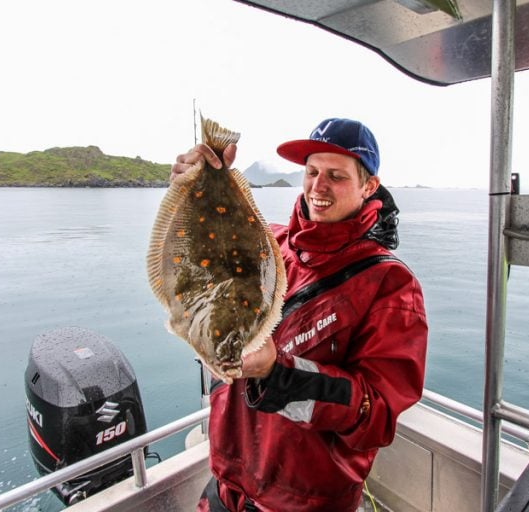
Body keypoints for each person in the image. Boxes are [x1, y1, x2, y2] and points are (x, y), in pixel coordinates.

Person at [172, 118, 428, 512]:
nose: (318, 186)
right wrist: (190, 189)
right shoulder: (267, 243)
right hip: (226, 488)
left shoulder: (390, 284)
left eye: (336, 176)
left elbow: (375, 414)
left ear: (368, 186)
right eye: (311, 172)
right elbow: (199, 270)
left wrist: (278, 374)